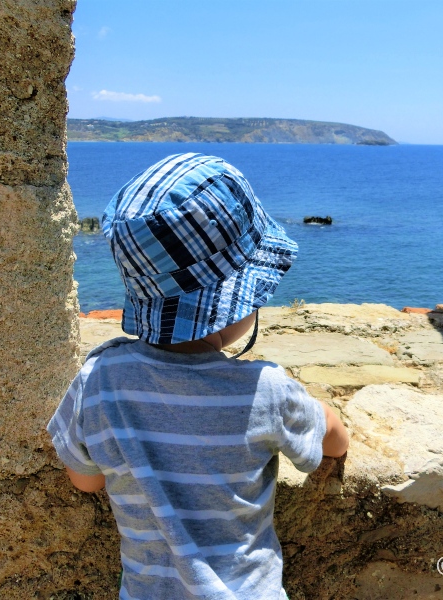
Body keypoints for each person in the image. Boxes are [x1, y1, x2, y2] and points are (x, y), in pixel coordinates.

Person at [47, 153, 349, 600]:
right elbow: (334, 440)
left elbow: (85, 479)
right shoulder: (265, 391)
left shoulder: (99, 380)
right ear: (238, 303)